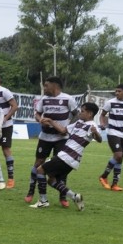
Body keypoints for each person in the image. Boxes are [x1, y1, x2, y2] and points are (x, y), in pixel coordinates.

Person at [30, 102, 102, 210]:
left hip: (67, 156)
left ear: (90, 114)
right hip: (70, 159)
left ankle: (43, 201)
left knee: (40, 170)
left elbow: (99, 140)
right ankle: (74, 196)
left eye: (82, 111)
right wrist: (50, 121)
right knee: (51, 180)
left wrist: (95, 132)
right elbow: (63, 130)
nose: (80, 113)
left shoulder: (92, 126)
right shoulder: (79, 122)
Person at [24, 76, 79, 208]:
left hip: (62, 139)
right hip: (45, 137)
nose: (45, 88)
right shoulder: (44, 99)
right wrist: (40, 119)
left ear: (55, 85)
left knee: (61, 167)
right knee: (38, 163)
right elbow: (37, 114)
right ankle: (31, 190)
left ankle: (63, 197)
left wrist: (67, 128)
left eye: (46, 85)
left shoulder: (68, 99)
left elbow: (76, 115)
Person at [98, 84, 123, 191]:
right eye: (116, 91)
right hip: (112, 132)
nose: (117, 93)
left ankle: (114, 184)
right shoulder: (110, 102)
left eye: (119, 91)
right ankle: (103, 176)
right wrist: (102, 124)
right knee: (118, 155)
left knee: (120, 158)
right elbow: (102, 114)